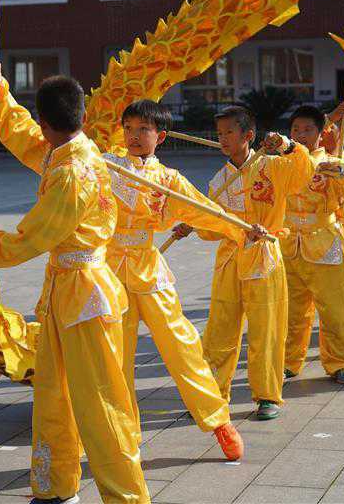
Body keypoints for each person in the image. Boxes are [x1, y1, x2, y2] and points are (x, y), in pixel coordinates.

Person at [0, 57, 149, 504]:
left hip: (87, 297)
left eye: (39, 122)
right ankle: (55, 488)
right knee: (53, 394)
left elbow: (32, 238)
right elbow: (26, 139)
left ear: (47, 120)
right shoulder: (72, 149)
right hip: (64, 293)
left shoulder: (72, 172)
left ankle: (127, 497)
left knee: (99, 405)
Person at [103, 99, 250, 460]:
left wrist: (244, 230)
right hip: (107, 273)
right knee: (113, 357)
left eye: (144, 130)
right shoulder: (105, 167)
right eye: (129, 128)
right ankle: (124, 435)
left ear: (161, 136)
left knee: (182, 346)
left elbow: (205, 210)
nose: (134, 136)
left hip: (149, 269)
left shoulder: (168, 180)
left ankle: (219, 420)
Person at [173, 106, 313, 420]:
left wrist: (288, 145)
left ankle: (267, 396)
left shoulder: (273, 167)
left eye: (229, 132)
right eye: (219, 134)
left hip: (264, 258)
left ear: (248, 135)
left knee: (266, 330)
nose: (222, 139)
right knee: (220, 330)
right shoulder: (219, 180)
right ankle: (211, 397)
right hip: (230, 261)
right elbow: (213, 226)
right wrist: (191, 225)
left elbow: (306, 170)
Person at [281, 104, 344, 384]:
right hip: (289, 244)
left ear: (320, 132)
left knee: (334, 309)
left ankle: (338, 362)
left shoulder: (333, 162)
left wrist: (338, 172)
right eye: (296, 129)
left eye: (307, 129)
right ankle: (289, 361)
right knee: (291, 310)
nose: (301, 135)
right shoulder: (281, 161)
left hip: (324, 243)